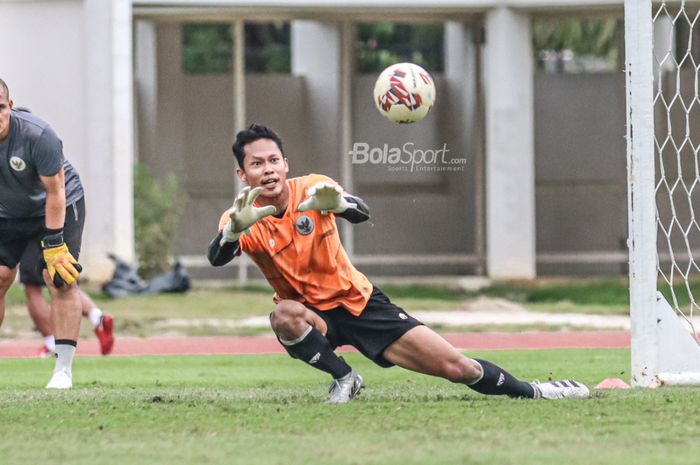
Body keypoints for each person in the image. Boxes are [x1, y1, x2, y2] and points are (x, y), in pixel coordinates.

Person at [208, 123, 590, 403]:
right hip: (314, 316)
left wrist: (341, 205)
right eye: (257, 164)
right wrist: (230, 234)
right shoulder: (242, 215)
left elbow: (360, 211)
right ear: (243, 174)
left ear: (286, 164)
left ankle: (538, 392)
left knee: (457, 367)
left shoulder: (311, 187)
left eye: (274, 160)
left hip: (360, 303)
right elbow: (217, 257)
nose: (268, 169)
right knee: (285, 316)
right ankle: (345, 378)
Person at [0, 78, 84, 389]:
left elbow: (56, 191)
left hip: (59, 202)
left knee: (58, 277)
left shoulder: (38, 135)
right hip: (8, 211)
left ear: (9, 106)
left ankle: (62, 369)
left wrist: (52, 244)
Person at [20, 251, 114, 357]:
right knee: (66, 286)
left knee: (32, 287)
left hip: (38, 237)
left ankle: (52, 344)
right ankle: (97, 317)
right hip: (63, 239)